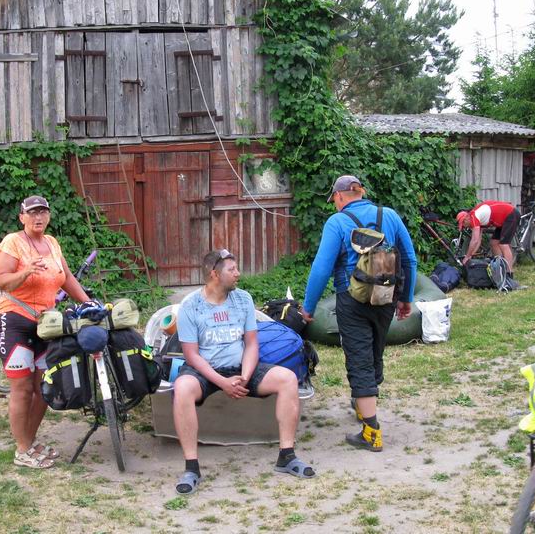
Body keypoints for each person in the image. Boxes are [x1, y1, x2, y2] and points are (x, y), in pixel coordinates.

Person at [172, 249, 315, 495]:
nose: (238, 273)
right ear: (215, 274)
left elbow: (251, 344)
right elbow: (192, 355)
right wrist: (222, 382)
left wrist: (245, 378)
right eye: (232, 269)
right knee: (182, 387)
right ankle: (191, 467)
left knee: (287, 379)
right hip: (206, 370)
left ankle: (287, 456)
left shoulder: (243, 299)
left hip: (241, 368)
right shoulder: (190, 306)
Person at [301, 175, 417, 452]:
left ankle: (371, 433)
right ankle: (363, 402)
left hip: (351, 299)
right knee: (374, 351)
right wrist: (406, 298)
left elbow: (321, 268)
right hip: (385, 296)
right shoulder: (388, 215)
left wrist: (308, 306)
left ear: (340, 196)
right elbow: (410, 258)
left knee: (359, 360)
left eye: (334, 201)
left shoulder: (338, 222)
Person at [0, 195, 90, 469]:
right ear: (22, 216)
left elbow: (67, 278)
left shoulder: (52, 243)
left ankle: (29, 441)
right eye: (33, 212)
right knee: (22, 388)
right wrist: (25, 272)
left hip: (45, 325)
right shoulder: (13, 242)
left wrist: (88, 302)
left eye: (43, 212)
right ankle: (22, 449)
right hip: (14, 320)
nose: (39, 217)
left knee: (43, 388)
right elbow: (2, 281)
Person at [456, 200, 520, 276]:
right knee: (494, 243)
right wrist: (470, 255)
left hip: (511, 214)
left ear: (466, 218)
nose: (464, 227)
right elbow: (478, 240)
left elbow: (474, 240)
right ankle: (499, 269)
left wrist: (467, 257)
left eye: (463, 224)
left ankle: (509, 273)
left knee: (504, 244)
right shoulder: (475, 217)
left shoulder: (474, 217)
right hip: (503, 219)